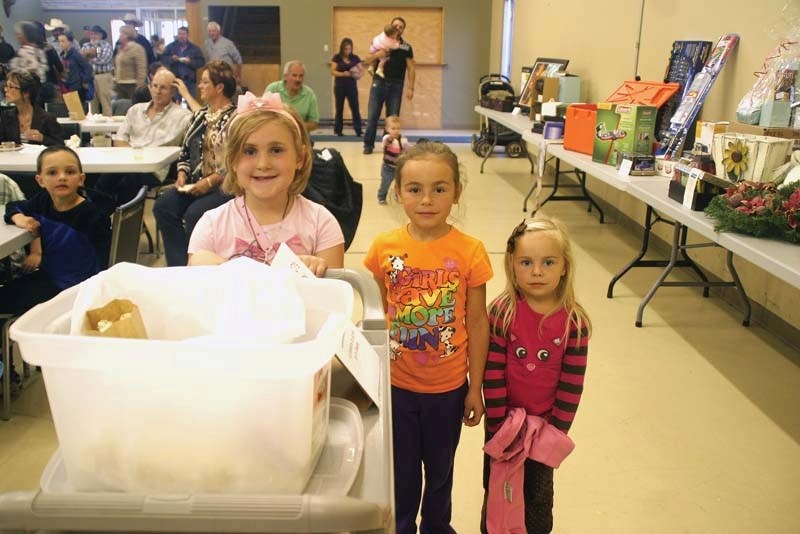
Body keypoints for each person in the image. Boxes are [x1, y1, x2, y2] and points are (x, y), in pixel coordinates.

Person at [363, 141, 492, 534]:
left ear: (456, 193)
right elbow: (378, 317)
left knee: (440, 471)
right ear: (398, 192)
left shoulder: (470, 252)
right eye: (415, 189)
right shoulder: (384, 248)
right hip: (398, 386)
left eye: (440, 188)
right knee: (402, 470)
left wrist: (476, 388)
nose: (427, 200)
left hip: (448, 388)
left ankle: (437, 526)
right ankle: (402, 526)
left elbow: (478, 322)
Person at [481, 216, 591, 534]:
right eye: (526, 262)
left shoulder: (574, 322)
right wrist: (499, 427)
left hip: (543, 433)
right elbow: (494, 372)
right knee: (497, 496)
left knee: (538, 501)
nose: (537, 271)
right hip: (503, 431)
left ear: (564, 267)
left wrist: (555, 431)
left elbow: (572, 383)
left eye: (548, 262)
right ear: (512, 266)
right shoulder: (503, 312)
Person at [188, 91, 344, 276]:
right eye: (249, 151)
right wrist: (202, 266)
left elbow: (332, 300)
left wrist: (315, 274)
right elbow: (197, 297)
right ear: (232, 161)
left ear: (300, 157)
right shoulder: (211, 227)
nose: (263, 164)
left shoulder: (321, 224)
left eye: (276, 150)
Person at [1, 146, 111, 318]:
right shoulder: (42, 201)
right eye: (52, 173)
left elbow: (104, 263)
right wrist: (19, 218)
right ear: (40, 180)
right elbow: (14, 206)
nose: (62, 177)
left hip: (75, 291)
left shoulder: (92, 216)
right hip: (48, 278)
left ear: (81, 179)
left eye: (70, 172)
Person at [153, 60, 236, 267]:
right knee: (163, 206)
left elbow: (236, 160)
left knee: (195, 214)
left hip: (224, 185)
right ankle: (178, 265)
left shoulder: (236, 118)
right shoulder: (199, 116)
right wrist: (182, 174)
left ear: (219, 87)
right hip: (195, 182)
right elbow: (185, 152)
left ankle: (199, 266)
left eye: (205, 82)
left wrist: (209, 183)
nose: (199, 86)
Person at [92, 69, 192, 213]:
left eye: (163, 88)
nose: (157, 91)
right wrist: (133, 158)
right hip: (128, 162)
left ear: (173, 91)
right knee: (98, 175)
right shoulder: (135, 110)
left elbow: (205, 121)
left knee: (124, 182)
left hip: (154, 170)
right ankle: (105, 219)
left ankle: (114, 221)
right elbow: (120, 139)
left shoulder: (183, 116)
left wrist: (187, 95)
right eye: (154, 86)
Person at [362, 17, 415, 155]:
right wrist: (378, 55)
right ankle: (368, 145)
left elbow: (411, 68)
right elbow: (366, 59)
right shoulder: (380, 41)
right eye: (396, 25)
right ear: (391, 26)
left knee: (392, 119)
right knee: (373, 115)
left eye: (401, 26)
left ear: (403, 30)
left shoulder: (406, 47)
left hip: (396, 85)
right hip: (379, 82)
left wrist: (411, 87)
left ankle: (390, 146)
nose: (398, 28)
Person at [0, 71, 63, 146]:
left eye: (11, 87)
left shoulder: (47, 118)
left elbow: (60, 145)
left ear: (26, 93)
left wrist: (42, 138)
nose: (6, 90)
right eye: (6, 86)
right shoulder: (5, 116)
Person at [263, 60, 319, 132]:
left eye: (301, 76)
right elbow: (263, 114)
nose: (298, 79)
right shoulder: (272, 89)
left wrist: (295, 127)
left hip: (300, 136)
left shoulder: (309, 94)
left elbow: (314, 123)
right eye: (294, 75)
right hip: (275, 133)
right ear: (285, 76)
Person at [329, 37, 362, 137]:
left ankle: (359, 130)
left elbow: (361, 72)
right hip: (340, 86)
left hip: (351, 86)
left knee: (355, 108)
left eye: (349, 49)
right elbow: (332, 71)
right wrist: (343, 74)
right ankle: (338, 131)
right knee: (339, 108)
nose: (347, 51)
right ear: (342, 48)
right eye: (345, 49)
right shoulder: (337, 57)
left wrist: (355, 72)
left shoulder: (355, 58)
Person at [162, 27, 205, 99]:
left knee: (191, 103)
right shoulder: (170, 47)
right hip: (175, 80)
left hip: (190, 81)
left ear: (187, 35)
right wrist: (172, 59)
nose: (181, 36)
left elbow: (201, 62)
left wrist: (190, 62)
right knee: (175, 104)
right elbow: (163, 59)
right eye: (179, 34)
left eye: (183, 34)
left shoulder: (194, 48)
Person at [80, 25, 113, 116]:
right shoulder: (85, 45)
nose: (93, 36)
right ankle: (95, 129)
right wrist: (92, 55)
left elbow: (103, 59)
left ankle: (108, 128)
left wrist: (89, 57)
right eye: (92, 34)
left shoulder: (106, 45)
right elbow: (81, 60)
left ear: (101, 35)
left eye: (96, 34)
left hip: (103, 76)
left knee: (105, 102)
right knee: (92, 104)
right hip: (90, 77)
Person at [377, 115, 408, 204]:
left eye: (398, 128)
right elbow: (386, 143)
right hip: (388, 167)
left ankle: (397, 195)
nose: (396, 131)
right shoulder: (386, 138)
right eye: (393, 128)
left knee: (399, 183)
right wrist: (391, 138)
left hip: (399, 167)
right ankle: (381, 196)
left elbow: (406, 150)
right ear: (387, 129)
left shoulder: (402, 139)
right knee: (385, 183)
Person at [57, 32, 93, 103]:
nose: (61, 44)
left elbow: (88, 67)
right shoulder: (63, 56)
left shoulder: (75, 55)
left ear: (70, 42)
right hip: (68, 85)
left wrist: (84, 81)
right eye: (59, 41)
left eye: (63, 41)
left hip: (77, 85)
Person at [114, 25, 147, 100]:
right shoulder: (120, 48)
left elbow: (141, 68)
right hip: (119, 83)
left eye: (121, 34)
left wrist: (140, 86)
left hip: (132, 84)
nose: (119, 36)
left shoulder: (137, 48)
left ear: (127, 36)